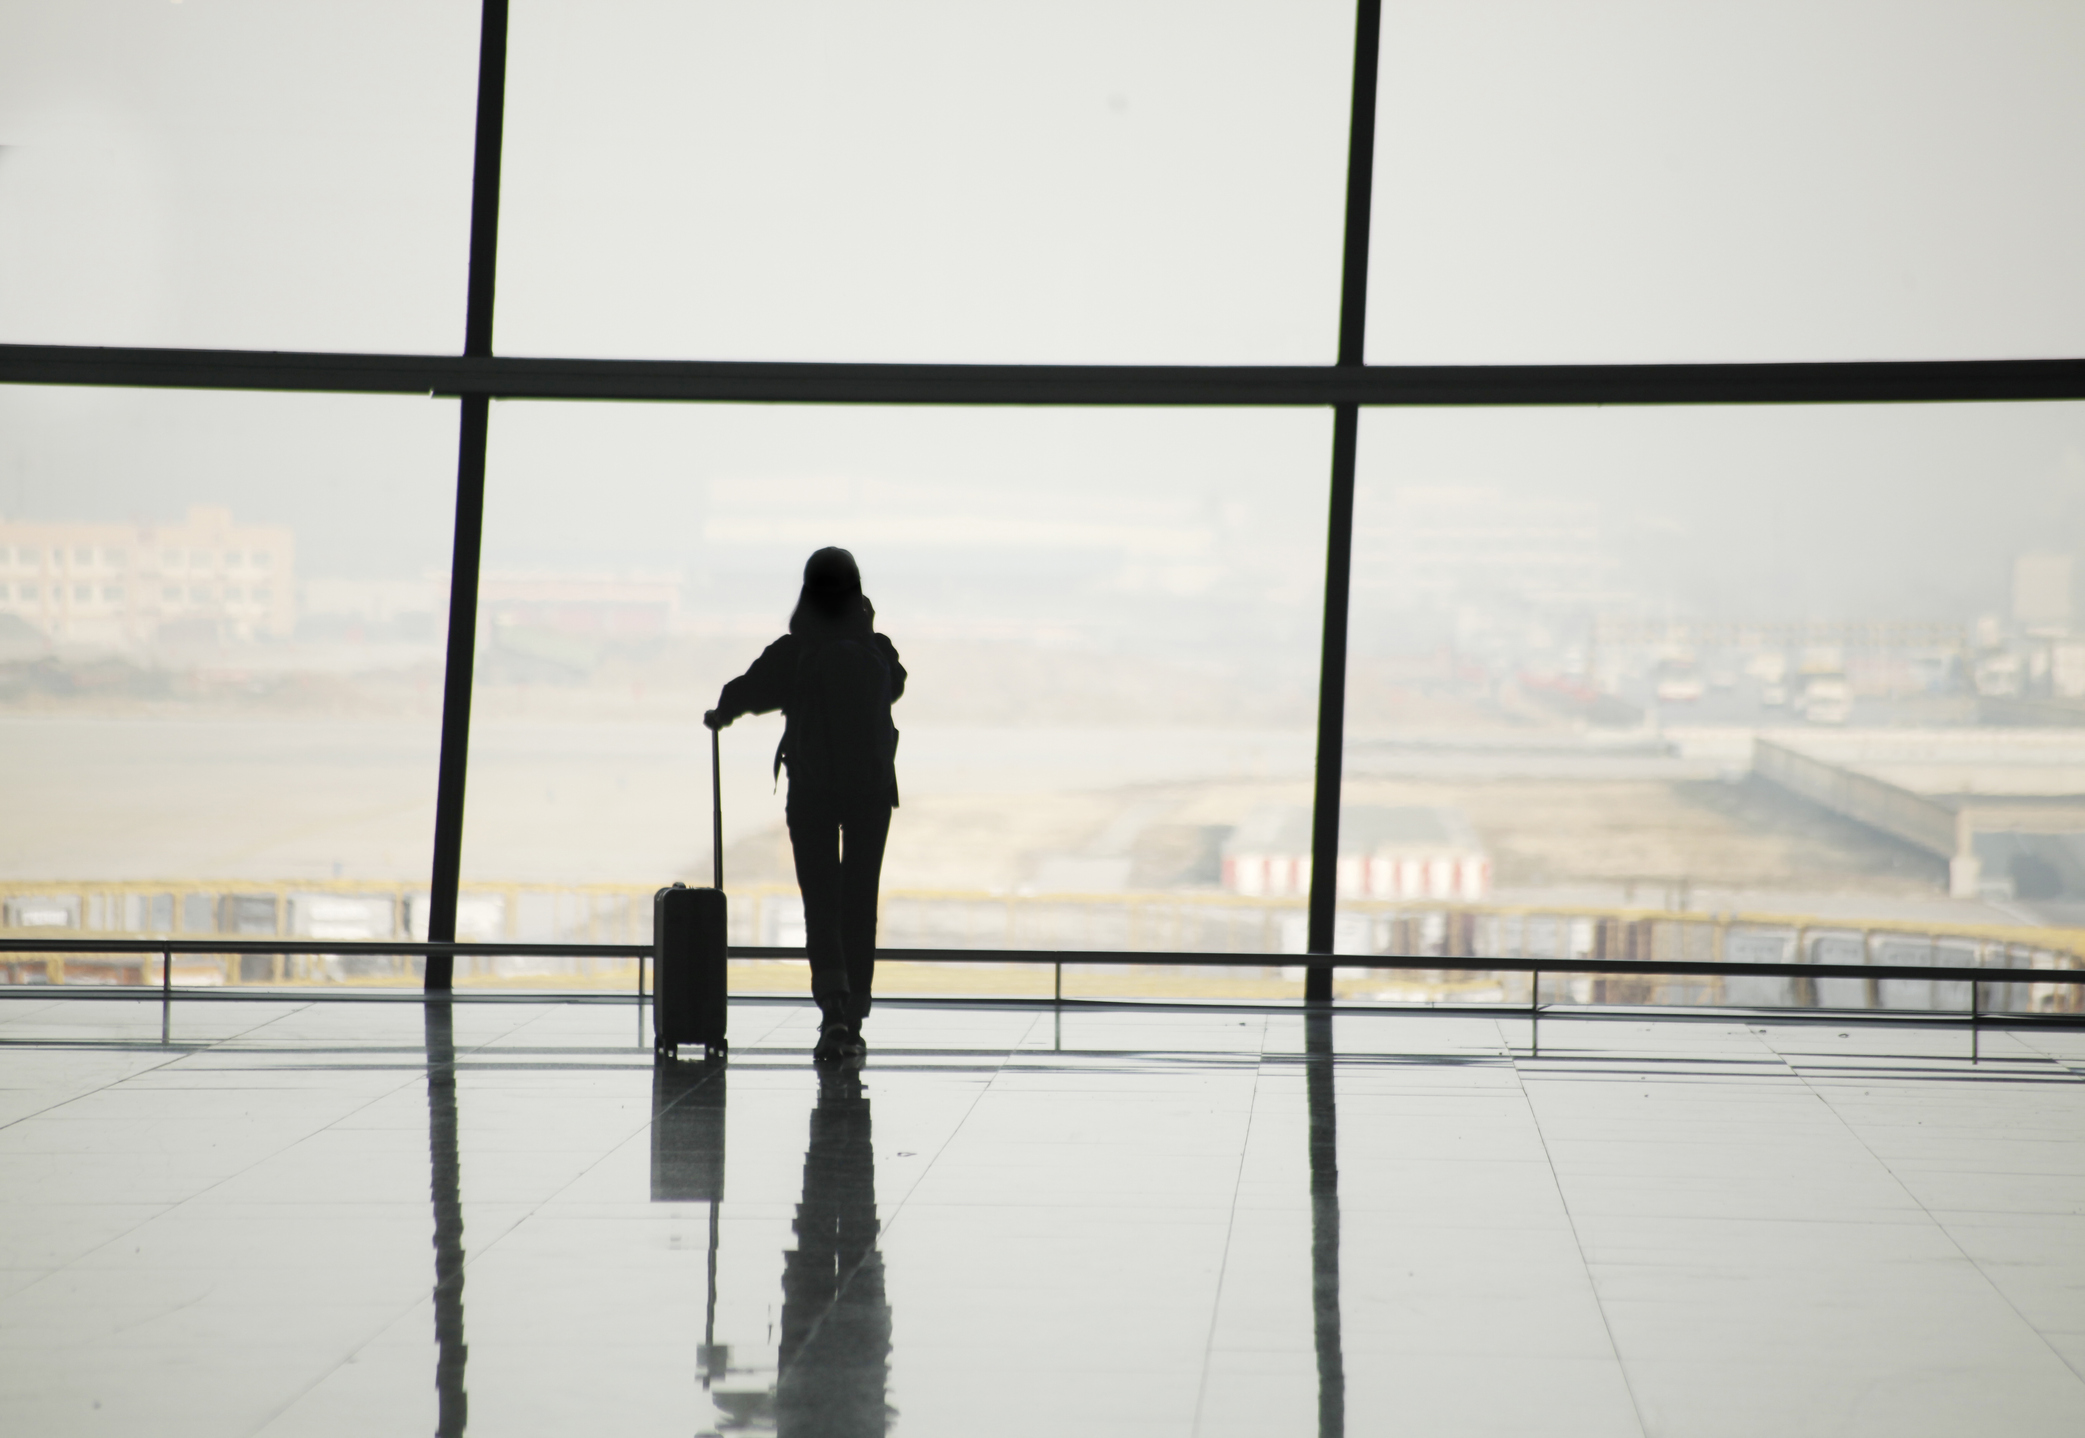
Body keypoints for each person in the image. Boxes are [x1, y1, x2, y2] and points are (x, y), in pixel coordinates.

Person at [705, 548, 904, 1063]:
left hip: (812, 791)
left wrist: (721, 713)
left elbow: (747, 690)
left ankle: (833, 1010)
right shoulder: (877, 648)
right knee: (860, 899)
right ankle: (856, 1015)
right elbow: (897, 687)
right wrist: (865, 630)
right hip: (871, 793)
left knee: (821, 899)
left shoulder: (796, 650)